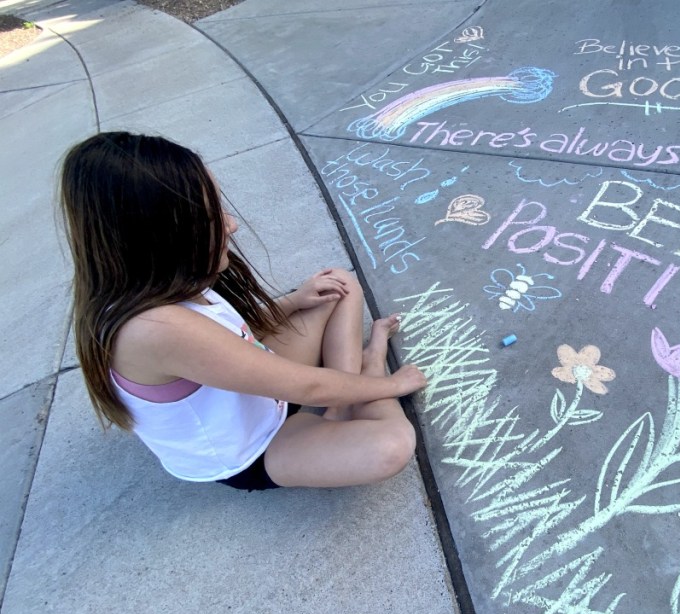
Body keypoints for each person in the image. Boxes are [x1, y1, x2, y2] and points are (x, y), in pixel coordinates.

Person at [59, 131, 427, 491]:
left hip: (262, 394)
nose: (231, 224)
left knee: (338, 284)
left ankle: (341, 406)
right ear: (154, 238)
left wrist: (294, 302)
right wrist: (390, 383)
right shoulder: (153, 329)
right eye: (209, 218)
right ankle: (366, 373)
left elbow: (230, 335)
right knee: (390, 446)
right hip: (254, 447)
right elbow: (308, 385)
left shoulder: (154, 280)